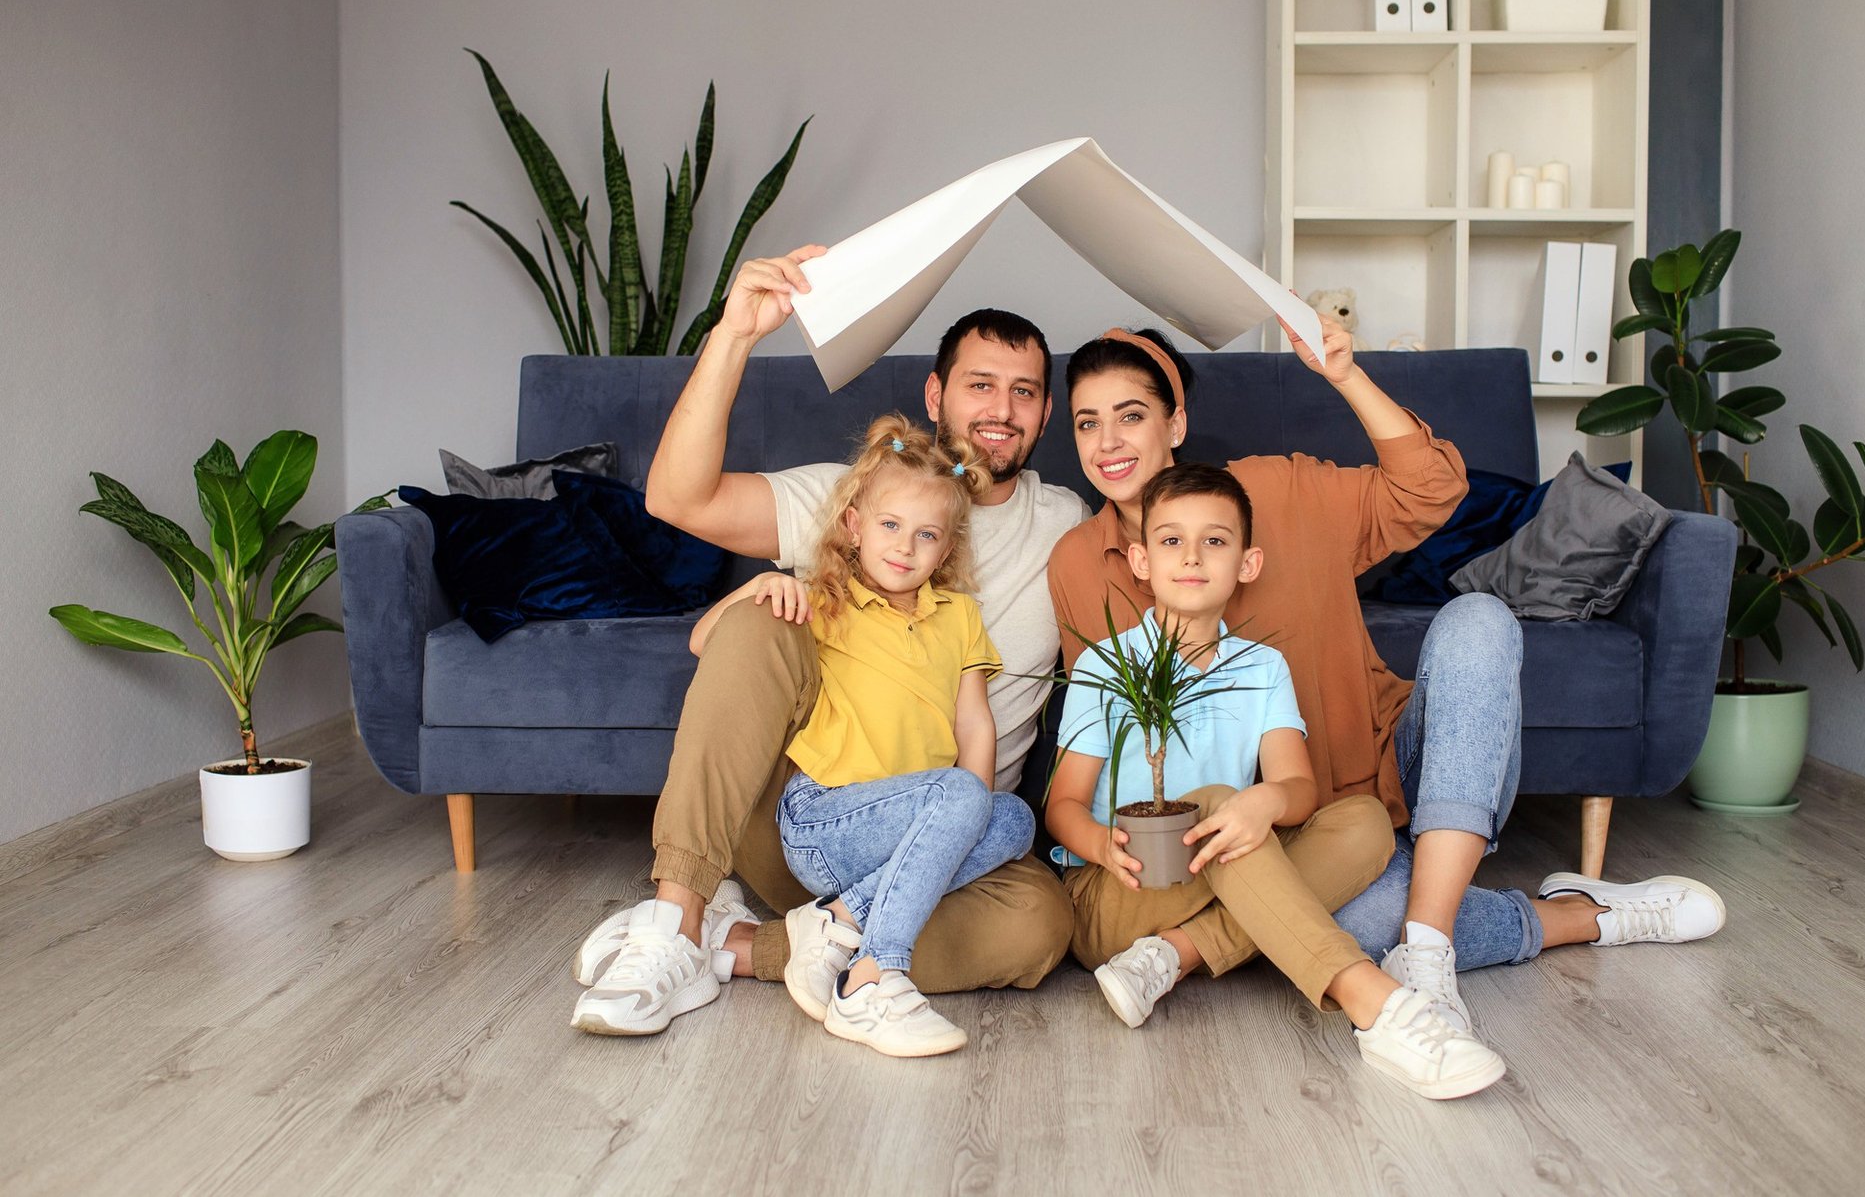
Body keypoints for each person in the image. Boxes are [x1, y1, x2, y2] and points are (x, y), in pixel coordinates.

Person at [1046, 321, 1727, 1065]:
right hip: (1250, 846)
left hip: (1368, 791)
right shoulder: (1081, 563)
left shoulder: (1283, 488)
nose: (1110, 441)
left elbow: (1433, 488)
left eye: (1133, 415)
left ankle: (1428, 950)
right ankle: (1576, 917)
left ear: (1175, 423)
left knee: (1479, 621)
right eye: (1088, 422)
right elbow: (1121, 737)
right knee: (1358, 922)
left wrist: (1346, 374)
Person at [570, 247, 1088, 1037]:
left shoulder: (1068, 522)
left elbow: (1172, 511)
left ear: (1047, 414)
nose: (1001, 409)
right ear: (936, 393)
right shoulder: (854, 493)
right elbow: (676, 497)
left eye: (1024, 392)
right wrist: (734, 334)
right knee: (759, 618)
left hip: (949, 853)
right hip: (803, 823)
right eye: (980, 384)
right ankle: (676, 921)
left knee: (1039, 926)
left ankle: (752, 947)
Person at [1048, 462, 1507, 1099]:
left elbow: (1300, 790)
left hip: (1217, 877)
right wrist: (1101, 847)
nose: (1192, 556)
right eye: (1171, 540)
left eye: (1215, 541)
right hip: (1120, 891)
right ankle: (1377, 1007)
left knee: (1364, 821)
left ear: (1248, 563)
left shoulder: (1262, 667)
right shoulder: (1107, 663)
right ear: (1141, 560)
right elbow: (1063, 805)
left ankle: (1175, 954)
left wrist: (1268, 799)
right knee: (1210, 805)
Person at [684, 415, 1035, 1056]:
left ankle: (837, 922)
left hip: (916, 821)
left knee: (1012, 820)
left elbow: (973, 721)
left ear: (947, 548)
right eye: (890, 526)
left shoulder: (959, 616)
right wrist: (757, 589)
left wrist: (969, 810)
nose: (904, 547)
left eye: (926, 535)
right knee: (964, 799)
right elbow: (703, 642)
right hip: (826, 822)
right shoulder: (825, 598)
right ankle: (873, 981)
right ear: (854, 526)